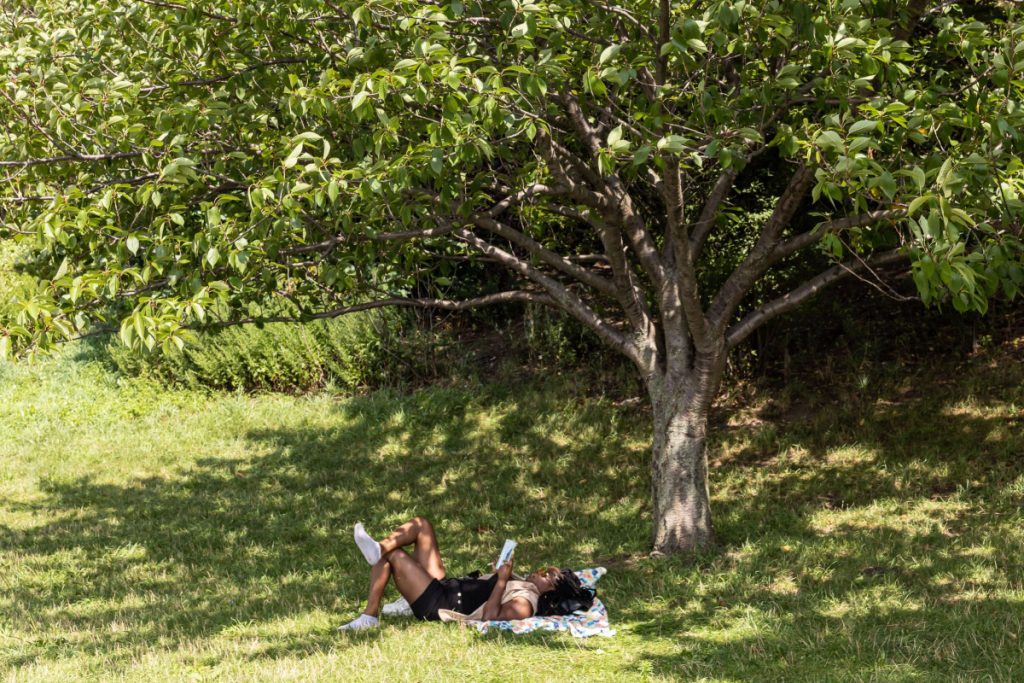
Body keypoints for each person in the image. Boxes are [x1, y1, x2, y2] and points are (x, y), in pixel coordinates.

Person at [337, 516, 569, 630]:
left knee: (395, 556)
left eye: (545, 573)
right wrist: (497, 575)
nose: (538, 572)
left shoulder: (527, 603)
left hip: (438, 602)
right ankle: (378, 548)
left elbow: (490, 618)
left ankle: (369, 617)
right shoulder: (522, 584)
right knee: (422, 525)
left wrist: (500, 581)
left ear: (551, 588)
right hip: (445, 587)